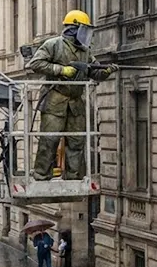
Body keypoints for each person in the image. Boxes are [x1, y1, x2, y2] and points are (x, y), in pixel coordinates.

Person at [27, 10, 118, 181]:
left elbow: (94, 72)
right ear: (74, 28)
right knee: (50, 140)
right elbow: (35, 63)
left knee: (76, 141)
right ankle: (41, 174)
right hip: (55, 100)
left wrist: (106, 71)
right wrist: (60, 69)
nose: (87, 35)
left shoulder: (85, 52)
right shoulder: (53, 45)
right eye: (85, 30)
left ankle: (72, 176)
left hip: (75, 104)